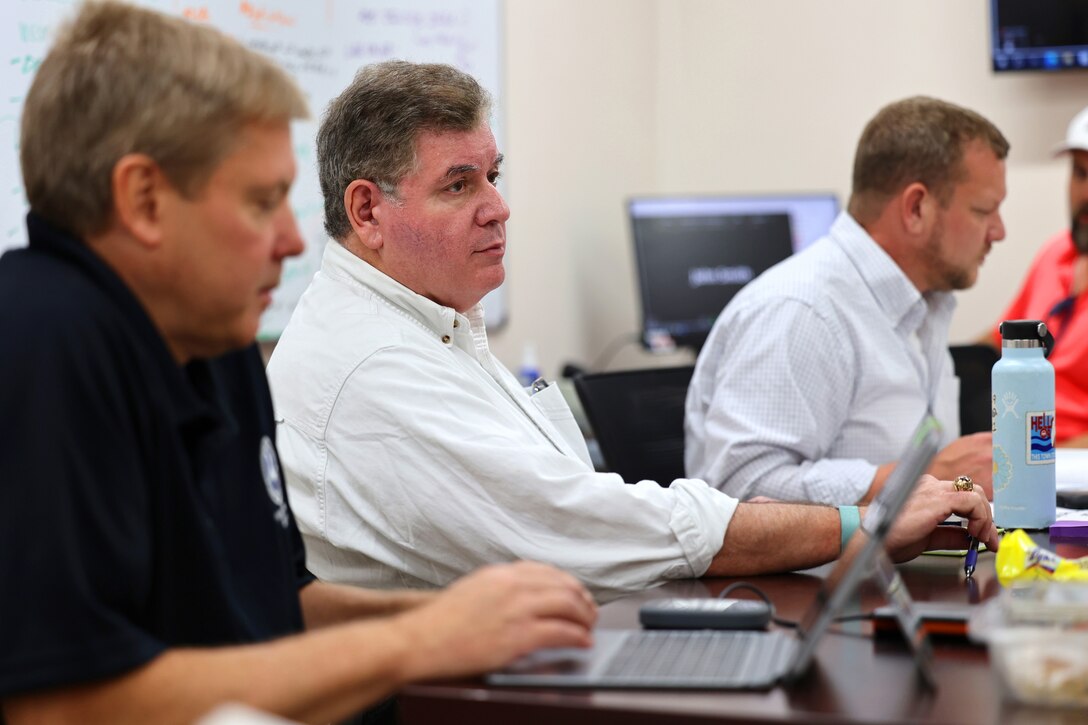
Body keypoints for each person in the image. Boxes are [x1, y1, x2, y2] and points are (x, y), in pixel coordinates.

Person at [0, 5, 598, 724]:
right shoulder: (43, 343)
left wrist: (472, 617)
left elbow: (283, 604)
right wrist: (416, 639)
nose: (291, 239)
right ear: (144, 199)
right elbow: (64, 704)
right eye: (261, 202)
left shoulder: (218, 340)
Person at [267, 64, 998, 602]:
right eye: (460, 185)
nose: (499, 207)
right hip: (449, 700)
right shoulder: (374, 363)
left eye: (494, 175)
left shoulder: (435, 322)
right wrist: (861, 522)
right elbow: (583, 526)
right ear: (367, 212)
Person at [685, 97, 1007, 506]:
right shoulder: (801, 311)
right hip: (813, 573)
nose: (999, 232)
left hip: (893, 568)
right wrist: (923, 477)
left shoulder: (925, 305)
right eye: (985, 210)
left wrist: (952, 486)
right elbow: (739, 489)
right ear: (916, 208)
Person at [989, 105, 1088, 447]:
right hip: (1018, 440)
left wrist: (1038, 453)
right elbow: (996, 342)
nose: (1085, 194)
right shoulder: (1055, 252)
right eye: (1079, 174)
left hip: (1065, 459)